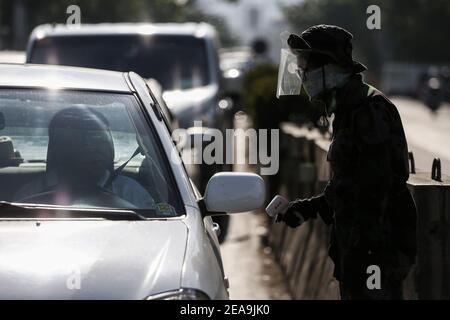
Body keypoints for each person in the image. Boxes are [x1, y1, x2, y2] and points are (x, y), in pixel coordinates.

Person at [276, 25, 417, 300]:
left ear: (331, 67)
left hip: (376, 253)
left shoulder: (369, 110)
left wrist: (317, 207)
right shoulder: (346, 109)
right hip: (358, 249)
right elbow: (350, 182)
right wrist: (309, 208)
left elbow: (372, 188)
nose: (302, 75)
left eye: (307, 67)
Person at [15, 107, 155, 209]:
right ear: (59, 150)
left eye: (100, 140)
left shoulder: (130, 191)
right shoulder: (31, 192)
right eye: (80, 141)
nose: (96, 149)